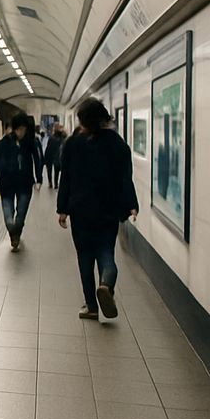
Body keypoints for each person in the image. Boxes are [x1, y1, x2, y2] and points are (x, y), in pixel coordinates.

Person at [57, 97, 139, 320]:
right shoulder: (117, 144)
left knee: (84, 258)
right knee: (106, 254)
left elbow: (66, 178)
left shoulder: (73, 144)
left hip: (81, 211)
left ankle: (91, 307)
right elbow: (125, 178)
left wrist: (62, 209)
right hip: (108, 211)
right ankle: (106, 284)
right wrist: (131, 205)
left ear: (84, 121)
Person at [0, 111, 43, 251]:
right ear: (14, 128)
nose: (21, 132)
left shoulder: (31, 142)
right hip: (7, 184)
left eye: (23, 129)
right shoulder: (4, 143)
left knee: (21, 214)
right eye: (19, 129)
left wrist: (39, 178)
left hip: (25, 183)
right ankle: (13, 232)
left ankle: (15, 235)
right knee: (8, 217)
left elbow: (37, 160)